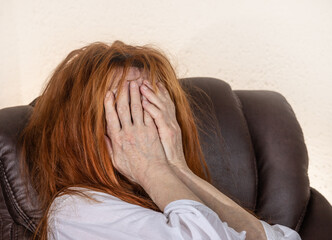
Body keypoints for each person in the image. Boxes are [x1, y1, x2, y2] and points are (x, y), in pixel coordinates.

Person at [20, 41, 301, 240]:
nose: (147, 125)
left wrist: (178, 168)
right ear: (79, 128)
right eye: (127, 107)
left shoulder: (165, 193)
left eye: (155, 105)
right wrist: (152, 168)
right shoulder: (75, 211)